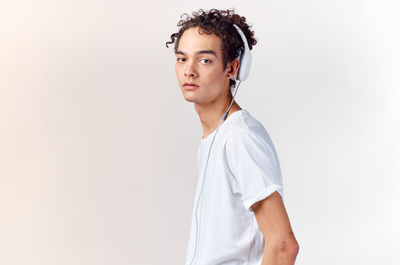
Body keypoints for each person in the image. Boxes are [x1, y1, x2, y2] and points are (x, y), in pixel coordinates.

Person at [166, 8, 299, 265]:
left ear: (232, 67)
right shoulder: (216, 137)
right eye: (182, 59)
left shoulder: (239, 138)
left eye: (205, 60)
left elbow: (284, 245)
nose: (189, 70)